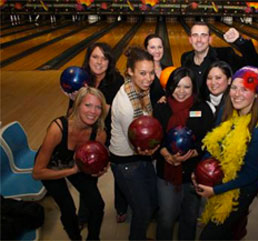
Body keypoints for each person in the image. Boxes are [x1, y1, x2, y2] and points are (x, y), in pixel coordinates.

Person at [193, 66, 258, 240]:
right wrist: (199, 171)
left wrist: (216, 190)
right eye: (234, 88)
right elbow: (212, 145)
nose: (237, 94)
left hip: (240, 192)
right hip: (220, 181)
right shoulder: (225, 112)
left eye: (245, 89)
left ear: (256, 94)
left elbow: (251, 174)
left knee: (208, 237)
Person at [33, 87, 108, 240]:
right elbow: (37, 172)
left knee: (97, 205)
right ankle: (76, 238)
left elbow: (98, 162)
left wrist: (99, 169)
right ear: (77, 105)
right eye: (88, 105)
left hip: (77, 166)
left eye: (98, 107)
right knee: (68, 209)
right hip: (50, 166)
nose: (93, 111)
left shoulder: (99, 133)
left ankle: (94, 238)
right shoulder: (58, 128)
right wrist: (73, 171)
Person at [68, 42, 127, 226]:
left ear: (110, 61)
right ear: (88, 59)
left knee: (119, 172)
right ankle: (84, 215)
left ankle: (121, 207)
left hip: (110, 133)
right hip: (86, 134)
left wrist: (91, 104)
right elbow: (71, 113)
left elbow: (119, 110)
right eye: (95, 57)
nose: (99, 62)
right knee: (87, 176)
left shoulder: (117, 80)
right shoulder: (80, 79)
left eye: (104, 58)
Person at [153, 67, 213, 240]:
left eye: (186, 87)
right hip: (166, 172)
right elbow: (156, 139)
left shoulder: (202, 109)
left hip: (193, 175)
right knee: (165, 219)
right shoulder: (161, 108)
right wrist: (166, 155)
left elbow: (208, 140)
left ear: (194, 87)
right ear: (170, 86)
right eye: (177, 86)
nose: (181, 92)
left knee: (189, 219)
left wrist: (194, 153)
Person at [109, 47, 159, 240]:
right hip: (126, 163)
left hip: (138, 159)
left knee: (153, 202)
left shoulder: (138, 91)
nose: (148, 78)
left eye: (151, 72)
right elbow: (141, 144)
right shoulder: (126, 108)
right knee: (144, 211)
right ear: (130, 71)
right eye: (143, 73)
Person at [181, 22, 258, 94]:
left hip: (222, 109)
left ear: (210, 39)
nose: (199, 40)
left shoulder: (225, 55)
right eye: (195, 35)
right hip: (197, 109)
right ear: (190, 40)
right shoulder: (185, 58)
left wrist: (239, 41)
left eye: (204, 35)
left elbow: (255, 67)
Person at [144, 33, 168, 105]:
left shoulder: (168, 70)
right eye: (152, 47)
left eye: (160, 47)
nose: (157, 51)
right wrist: (157, 103)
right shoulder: (143, 73)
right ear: (146, 49)